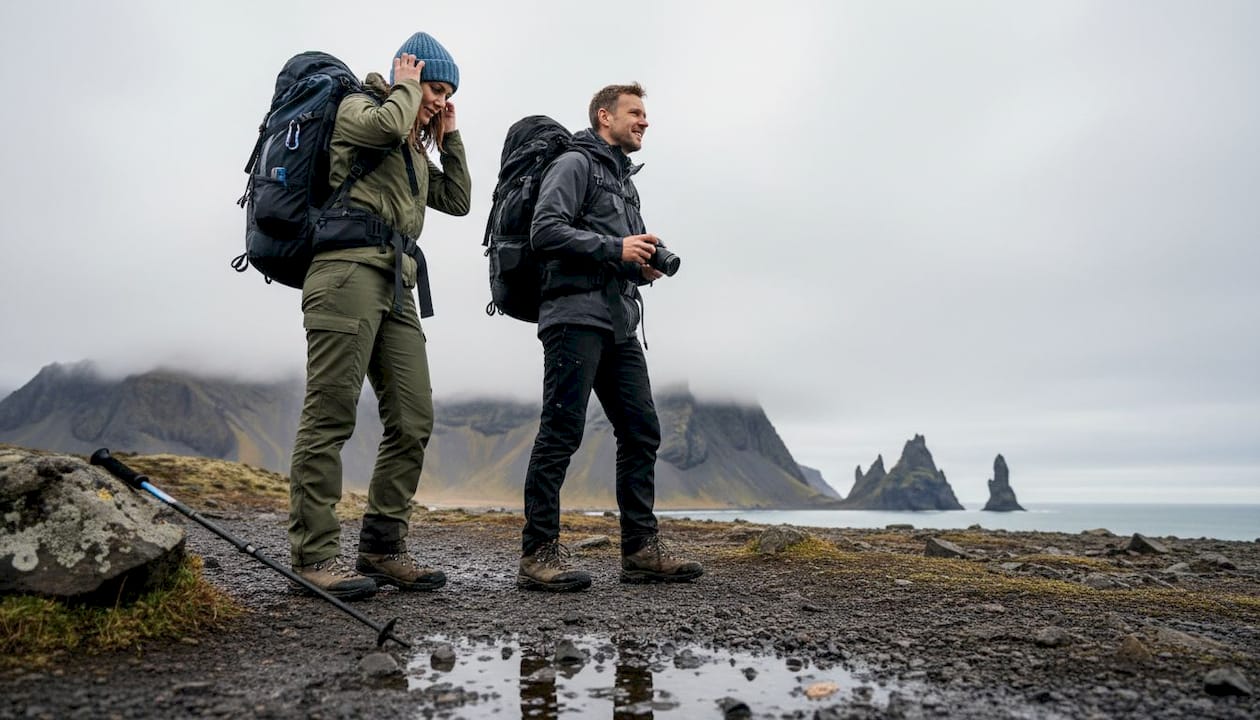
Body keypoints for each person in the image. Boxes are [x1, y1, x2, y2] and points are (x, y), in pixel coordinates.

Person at [287, 32, 471, 600]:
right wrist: (409, 89)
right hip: (344, 274)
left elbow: (459, 199)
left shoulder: (413, 146)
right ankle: (313, 556)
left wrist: (450, 135)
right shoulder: (359, 108)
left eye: (445, 93)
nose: (438, 100)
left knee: (414, 417)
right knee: (331, 415)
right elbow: (389, 124)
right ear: (409, 76)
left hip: (396, 284)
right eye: (436, 88)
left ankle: (383, 547)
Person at [517, 83, 703, 591]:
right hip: (573, 317)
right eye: (635, 112)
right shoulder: (574, 164)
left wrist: (640, 265)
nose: (645, 121)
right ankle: (537, 555)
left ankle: (640, 552)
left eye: (646, 114)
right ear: (605, 116)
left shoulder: (624, 181)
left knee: (642, 430)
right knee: (561, 433)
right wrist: (615, 247)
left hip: (618, 321)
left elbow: (616, 253)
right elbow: (545, 231)